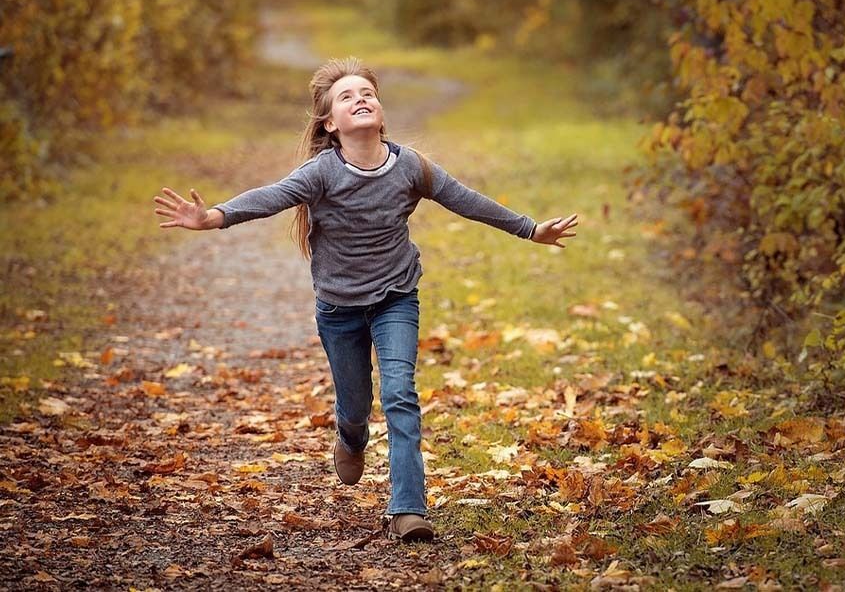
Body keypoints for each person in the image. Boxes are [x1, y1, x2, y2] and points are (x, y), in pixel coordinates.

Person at [152, 57, 578, 542]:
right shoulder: (321, 173)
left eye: (368, 93)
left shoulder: (411, 167)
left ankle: (407, 510)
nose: (361, 98)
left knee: (400, 394)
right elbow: (270, 196)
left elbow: (468, 199)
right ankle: (351, 437)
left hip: (396, 296)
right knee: (356, 406)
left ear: (380, 110)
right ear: (330, 123)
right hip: (339, 308)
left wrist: (530, 229)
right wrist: (214, 217)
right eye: (347, 96)